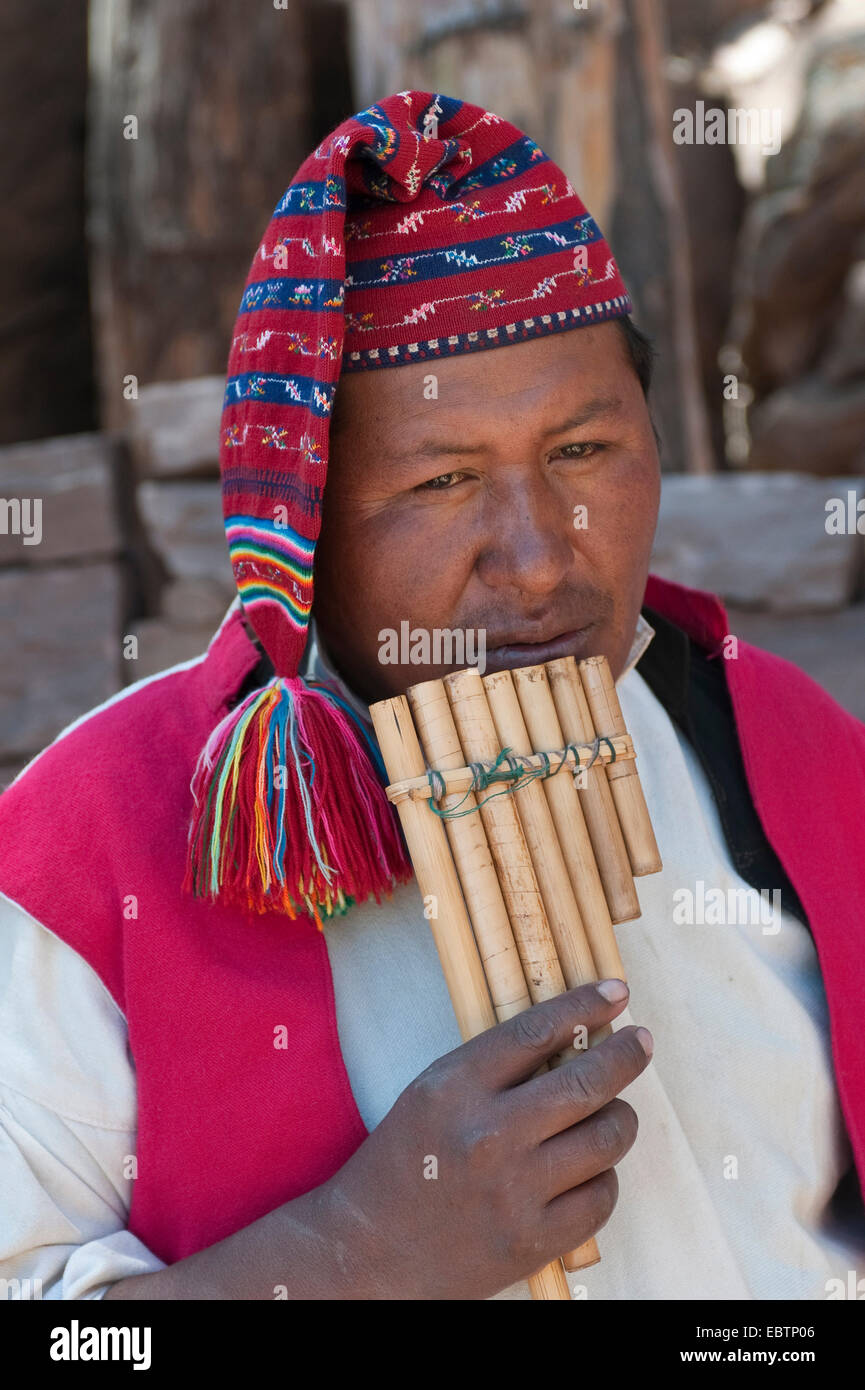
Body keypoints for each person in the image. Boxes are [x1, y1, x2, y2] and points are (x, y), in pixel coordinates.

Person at [1, 90, 864, 1302]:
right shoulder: (85, 851)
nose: (538, 556)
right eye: (444, 481)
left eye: (581, 452)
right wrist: (356, 1254)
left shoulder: (795, 753)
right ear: (295, 530)